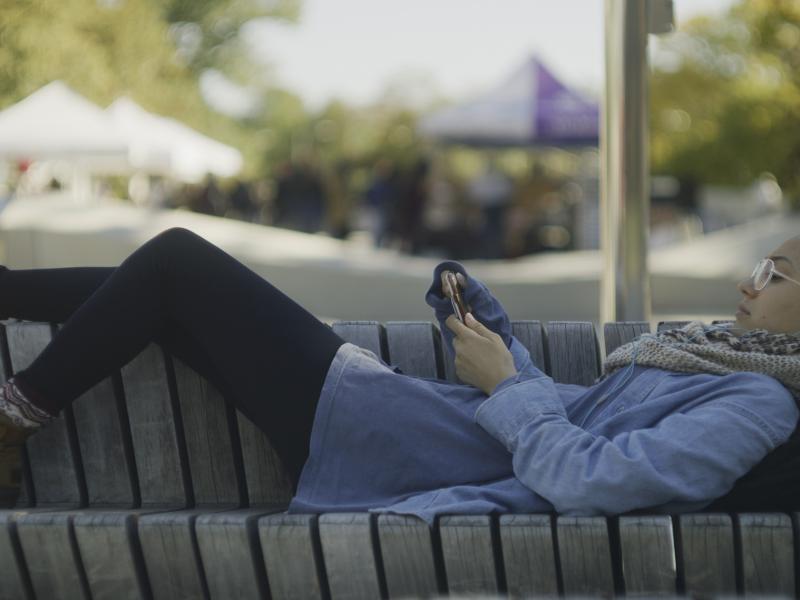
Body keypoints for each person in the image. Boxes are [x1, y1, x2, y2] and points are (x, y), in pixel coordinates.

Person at [1, 228, 800, 522]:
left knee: (177, 262)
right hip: (402, 421)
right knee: (168, 287)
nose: (748, 283)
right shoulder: (717, 360)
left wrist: (505, 384)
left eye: (777, 274)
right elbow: (576, 422)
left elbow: (592, 479)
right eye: (761, 265)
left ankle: (11, 417)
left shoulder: (759, 401)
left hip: (395, 443)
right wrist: (493, 338)